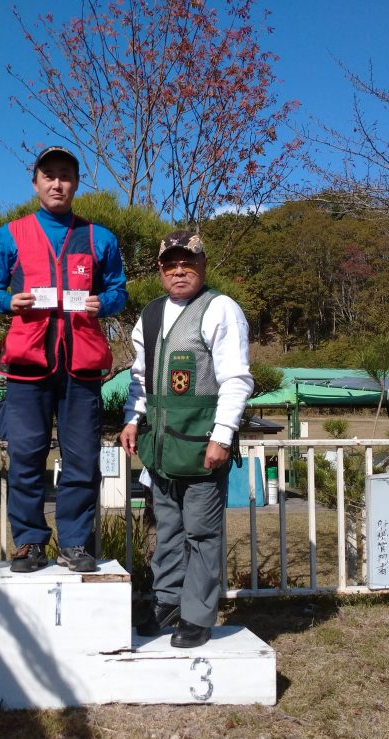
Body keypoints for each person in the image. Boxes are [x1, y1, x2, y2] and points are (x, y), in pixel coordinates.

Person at [0, 146, 127, 573]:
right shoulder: (12, 233)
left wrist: (108, 303)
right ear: (36, 184)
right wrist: (8, 300)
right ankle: (28, 542)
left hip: (80, 368)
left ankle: (76, 543)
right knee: (26, 456)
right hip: (28, 366)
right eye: (49, 176)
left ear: (76, 183)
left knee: (81, 459)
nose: (57, 183)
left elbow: (119, 289)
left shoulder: (100, 237)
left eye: (65, 175)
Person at [119, 231, 253, 648]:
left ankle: (196, 614)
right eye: (171, 264)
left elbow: (236, 379)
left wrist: (223, 435)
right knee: (169, 530)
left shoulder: (220, 309)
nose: (180, 270)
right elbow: (140, 377)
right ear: (160, 270)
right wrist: (131, 418)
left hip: (200, 443)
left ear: (203, 265)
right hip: (160, 446)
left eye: (188, 262)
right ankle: (167, 603)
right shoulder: (152, 313)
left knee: (201, 532)